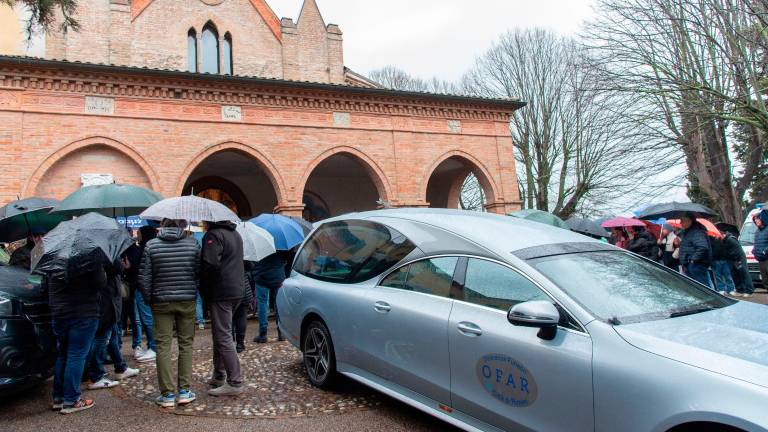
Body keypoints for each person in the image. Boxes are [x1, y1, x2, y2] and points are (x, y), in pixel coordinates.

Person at [139, 219, 200, 408]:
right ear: (181, 226)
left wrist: (150, 299)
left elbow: (144, 277)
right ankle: (183, 391)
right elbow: (199, 273)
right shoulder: (192, 244)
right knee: (186, 344)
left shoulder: (151, 245)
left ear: (163, 226)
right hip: (186, 300)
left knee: (163, 346)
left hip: (161, 301)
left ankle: (166, 395)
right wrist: (193, 291)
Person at [48, 264, 108, 414]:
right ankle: (72, 399)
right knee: (76, 355)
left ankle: (59, 396)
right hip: (83, 312)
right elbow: (100, 282)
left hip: (59, 312)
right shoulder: (89, 257)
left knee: (63, 354)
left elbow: (46, 286)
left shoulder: (54, 258)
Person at [200, 220, 245, 397]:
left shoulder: (213, 235)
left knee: (223, 335)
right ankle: (219, 374)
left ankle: (235, 381)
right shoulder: (235, 234)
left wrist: (203, 286)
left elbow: (210, 264)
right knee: (220, 333)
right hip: (236, 290)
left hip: (221, 291)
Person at [250, 251, 289, 343]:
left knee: (263, 304)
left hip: (261, 276)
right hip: (278, 275)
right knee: (279, 304)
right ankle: (281, 333)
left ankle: (263, 334)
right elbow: (287, 257)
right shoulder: (279, 243)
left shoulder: (258, 240)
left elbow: (252, 261)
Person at [133, 226, 157, 362]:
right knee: (148, 319)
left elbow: (142, 272)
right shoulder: (151, 248)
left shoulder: (144, 250)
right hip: (149, 289)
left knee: (148, 319)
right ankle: (151, 346)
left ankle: (153, 347)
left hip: (143, 289)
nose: (138, 235)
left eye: (140, 233)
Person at [678, 212, 714, 288]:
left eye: (682, 220)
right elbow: (689, 247)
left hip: (696, 265)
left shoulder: (697, 232)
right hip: (690, 264)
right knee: (696, 288)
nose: (680, 223)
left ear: (689, 221)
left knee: (703, 288)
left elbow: (703, 247)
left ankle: (711, 300)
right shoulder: (687, 232)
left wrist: (693, 260)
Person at [724, 231, 754, 297]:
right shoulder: (724, 240)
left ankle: (749, 291)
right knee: (735, 275)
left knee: (744, 274)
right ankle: (740, 290)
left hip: (738, 259)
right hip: (732, 259)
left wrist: (730, 256)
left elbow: (737, 251)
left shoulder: (731, 239)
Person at [232, 266, 253, 353]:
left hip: (229, 289)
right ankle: (240, 344)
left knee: (228, 317)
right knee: (241, 317)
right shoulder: (243, 254)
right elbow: (251, 267)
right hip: (243, 288)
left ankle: (230, 343)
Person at [752, 210, 768, 290]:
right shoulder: (757, 232)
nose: (756, 221)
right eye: (755, 219)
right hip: (760, 259)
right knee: (765, 281)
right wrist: (754, 250)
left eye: (757, 219)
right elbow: (756, 243)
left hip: (767, 258)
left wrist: (765, 251)